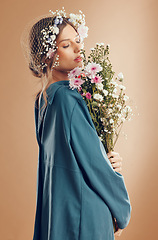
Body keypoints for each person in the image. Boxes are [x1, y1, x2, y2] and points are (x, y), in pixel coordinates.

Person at [21, 7, 131, 240]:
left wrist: (108, 157)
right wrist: (122, 209)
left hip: (60, 213)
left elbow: (76, 157)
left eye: (78, 41)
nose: (79, 48)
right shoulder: (66, 98)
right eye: (66, 45)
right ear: (47, 54)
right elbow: (94, 164)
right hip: (85, 214)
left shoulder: (44, 101)